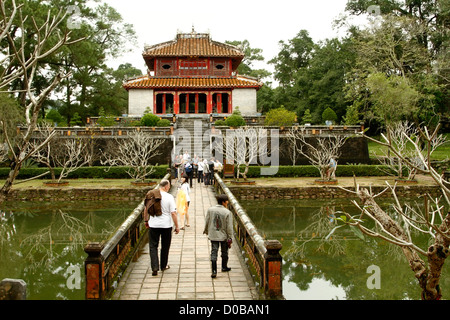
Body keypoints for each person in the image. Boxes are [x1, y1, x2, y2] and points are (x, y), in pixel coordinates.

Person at [146, 179, 180, 276]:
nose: (169, 188)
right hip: (166, 225)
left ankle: (155, 267)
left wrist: (145, 221)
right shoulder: (169, 197)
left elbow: (146, 209)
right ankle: (163, 265)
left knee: (153, 246)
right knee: (165, 246)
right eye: (169, 186)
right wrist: (177, 226)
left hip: (153, 224)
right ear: (166, 187)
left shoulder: (152, 195)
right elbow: (173, 213)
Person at [203, 194, 233, 278]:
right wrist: (230, 237)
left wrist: (206, 231)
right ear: (223, 202)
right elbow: (229, 227)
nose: (227, 202)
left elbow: (207, 221)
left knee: (214, 251)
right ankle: (224, 266)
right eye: (227, 201)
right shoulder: (227, 212)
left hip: (213, 234)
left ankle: (214, 270)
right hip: (223, 235)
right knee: (224, 252)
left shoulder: (210, 210)